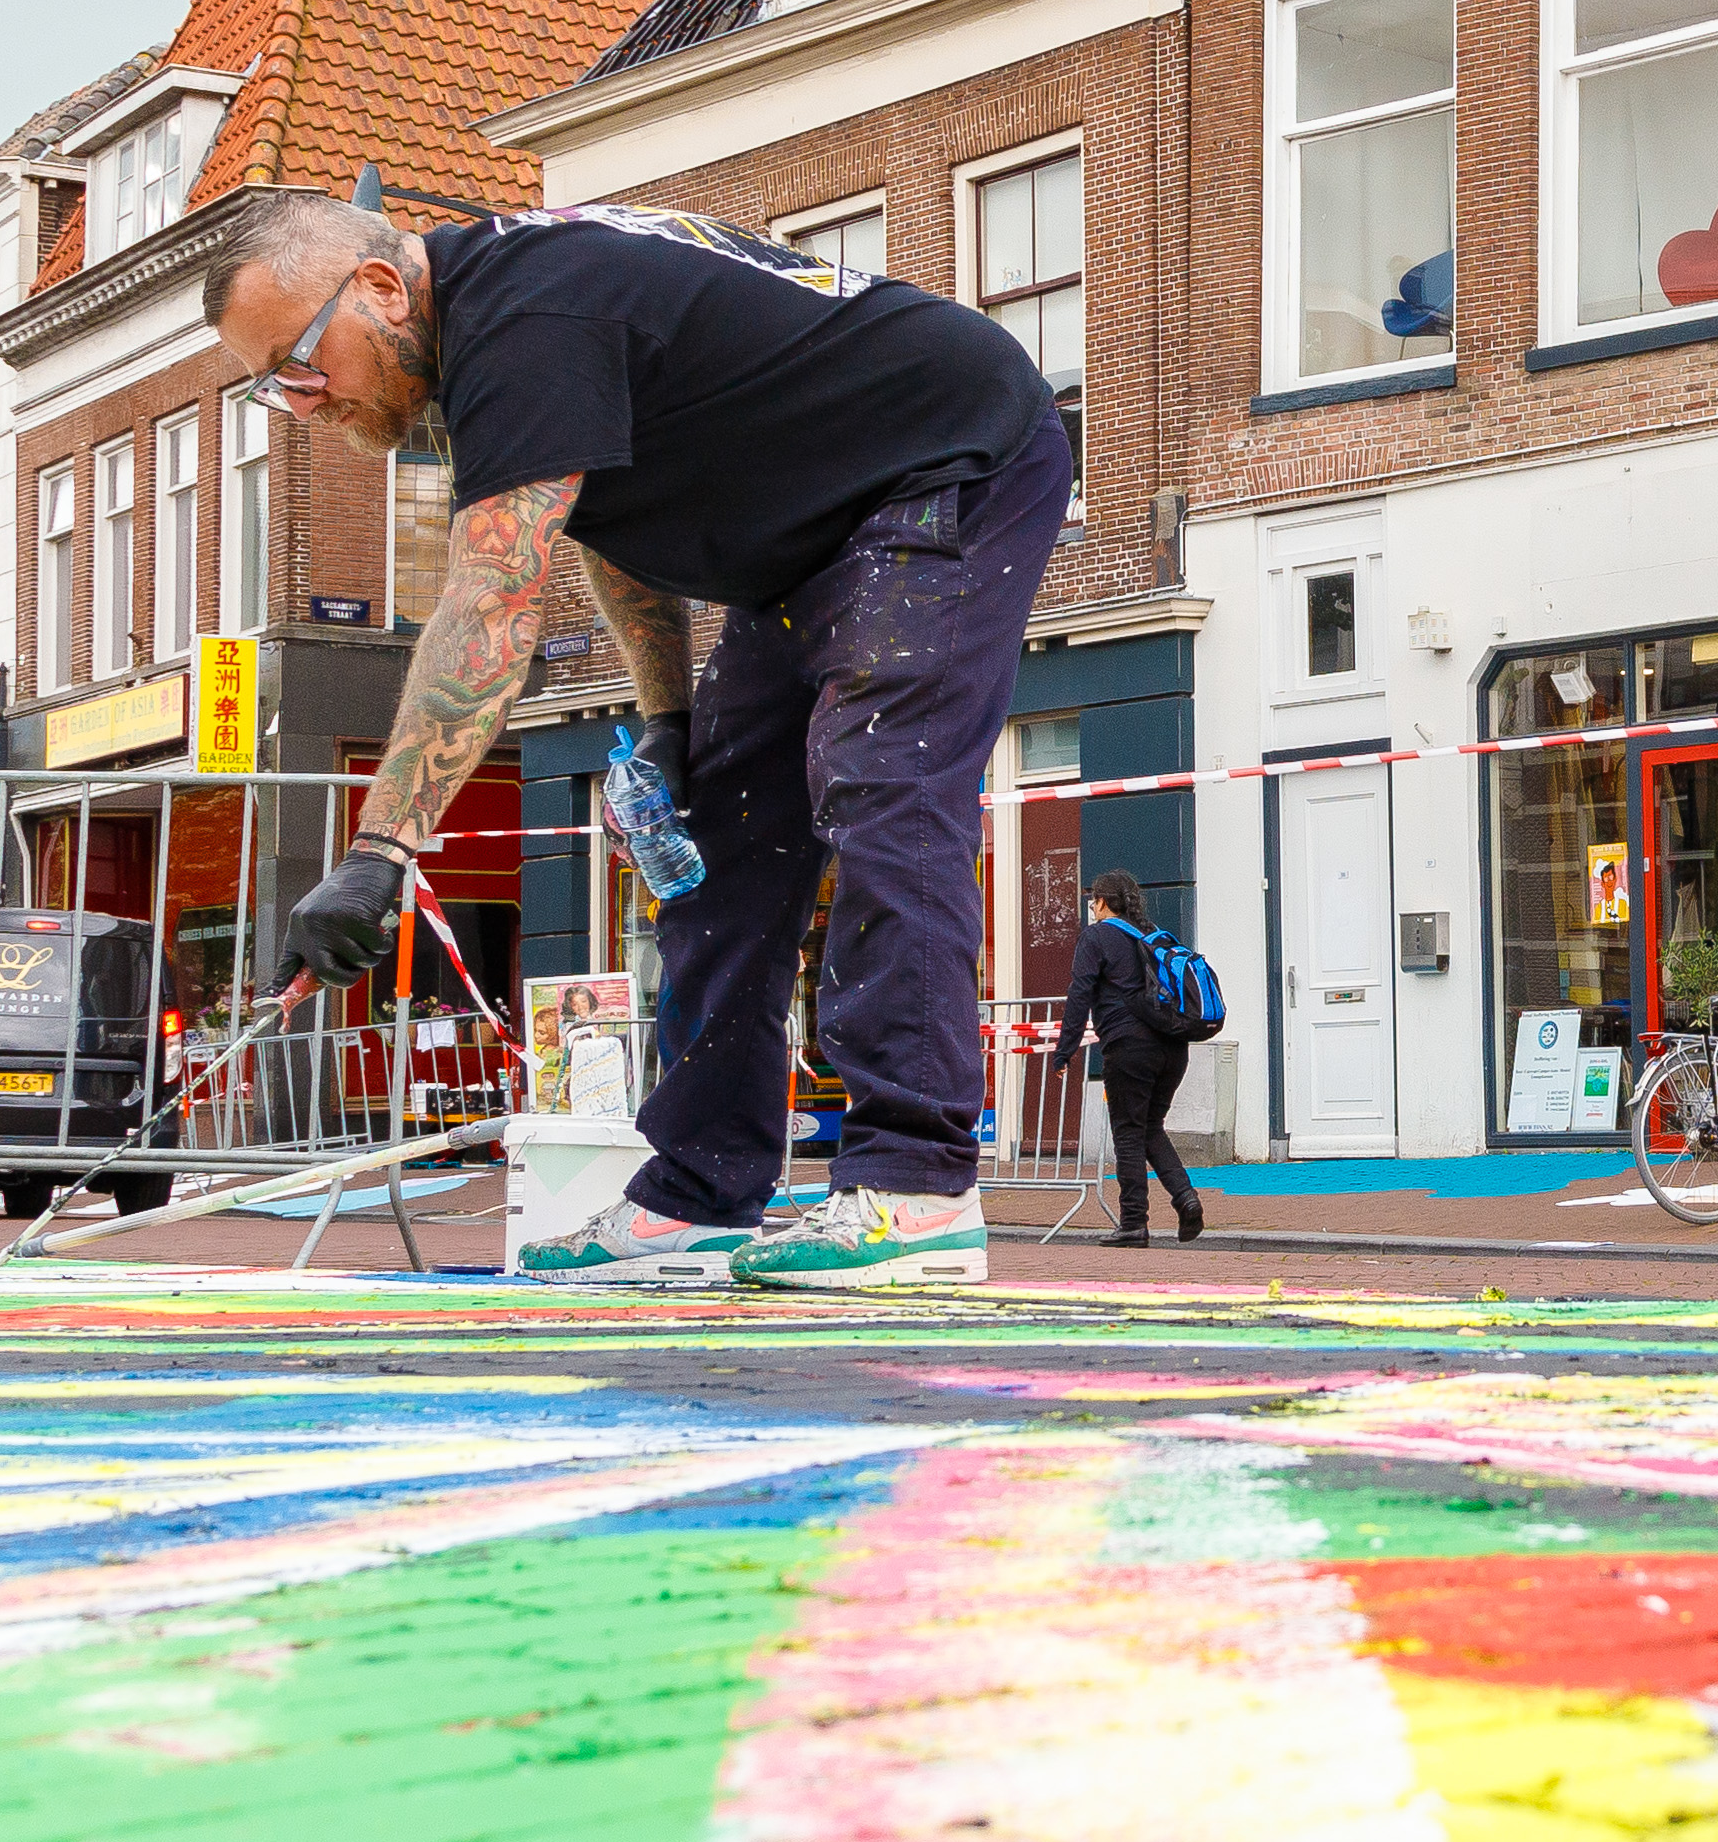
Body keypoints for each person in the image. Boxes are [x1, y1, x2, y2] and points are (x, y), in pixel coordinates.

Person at [210, 192, 1067, 1290]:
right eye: (272, 388)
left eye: (295, 362)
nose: (301, 400)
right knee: (718, 824)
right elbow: (617, 526)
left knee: (880, 784)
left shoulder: (527, 316)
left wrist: (382, 850)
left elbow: (491, 604)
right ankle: (698, 1196)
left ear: (378, 288)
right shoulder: (498, 342)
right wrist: (669, 719)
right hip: (811, 536)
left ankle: (915, 1183)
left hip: (948, 460)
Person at [1055, 868, 1206, 1248]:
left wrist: (1064, 1051)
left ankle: (1133, 1223)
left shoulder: (1097, 936)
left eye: (1094, 900)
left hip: (1129, 1048)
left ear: (1102, 902)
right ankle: (1186, 1198)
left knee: (1127, 1132)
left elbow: (1079, 994)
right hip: (1173, 1047)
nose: (1092, 907)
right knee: (1150, 1127)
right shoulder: (1152, 936)